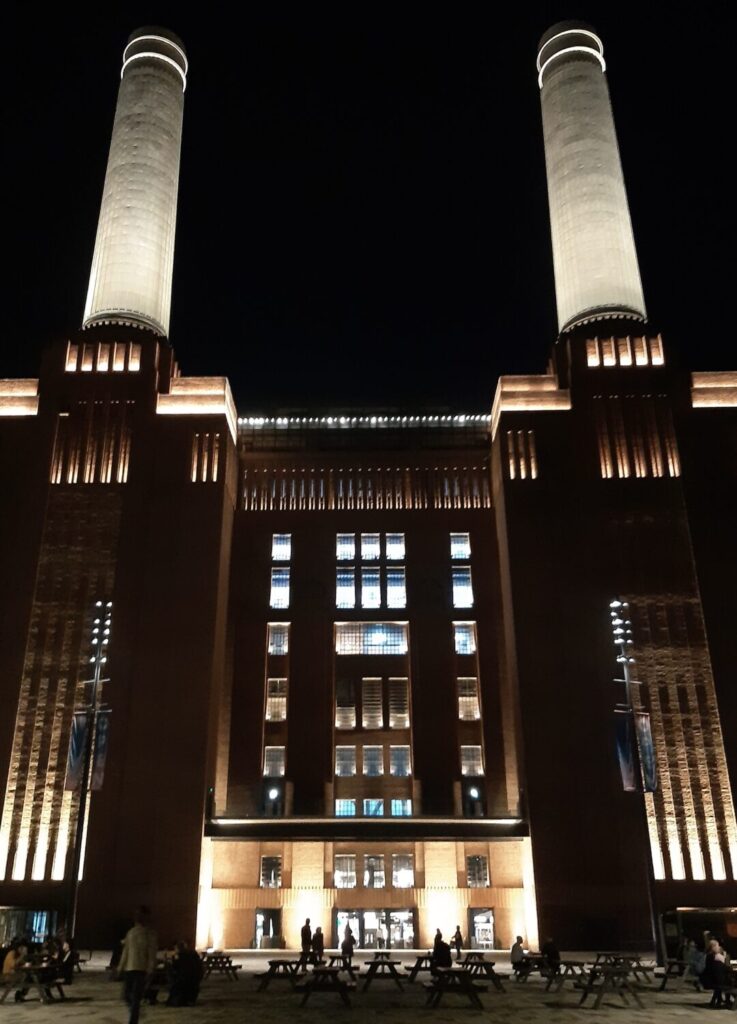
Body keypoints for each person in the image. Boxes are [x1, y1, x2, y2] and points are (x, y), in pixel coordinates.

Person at [118, 906, 158, 1024]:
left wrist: (150, 969)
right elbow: (126, 951)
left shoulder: (150, 934)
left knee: (135, 998)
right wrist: (121, 967)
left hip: (141, 969)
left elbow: (152, 953)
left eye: (140, 915)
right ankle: (136, 1012)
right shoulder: (131, 933)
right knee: (126, 995)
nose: (137, 917)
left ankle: (133, 1021)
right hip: (130, 968)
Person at [167, 940, 203, 1007]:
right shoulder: (193, 954)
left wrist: (171, 961)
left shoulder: (180, 956)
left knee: (173, 979)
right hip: (196, 978)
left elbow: (175, 967)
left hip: (183, 979)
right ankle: (190, 1000)